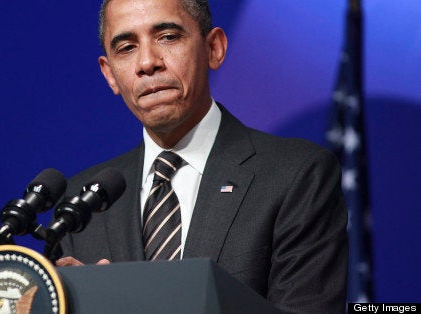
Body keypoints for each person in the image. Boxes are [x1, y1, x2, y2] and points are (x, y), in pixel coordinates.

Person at [53, 0, 348, 312]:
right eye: (126, 47)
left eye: (167, 37)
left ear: (214, 48)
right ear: (110, 73)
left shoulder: (296, 176)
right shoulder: (80, 205)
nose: (147, 62)